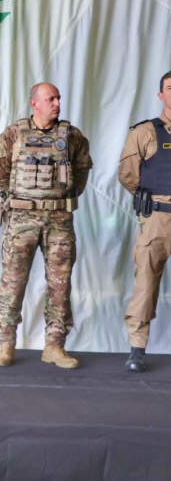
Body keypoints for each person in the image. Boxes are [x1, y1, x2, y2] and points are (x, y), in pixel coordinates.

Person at [0, 82, 93, 368]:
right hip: (21, 221)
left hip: (59, 221)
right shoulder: (12, 135)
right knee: (13, 283)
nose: (57, 103)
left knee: (60, 286)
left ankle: (55, 347)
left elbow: (81, 173)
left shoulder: (72, 137)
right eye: (51, 98)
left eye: (58, 97)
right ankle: (5, 345)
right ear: (34, 103)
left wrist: (57, 200)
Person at [118, 70, 171, 372]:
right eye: (170, 88)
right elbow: (127, 174)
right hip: (157, 220)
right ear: (160, 95)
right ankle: (137, 350)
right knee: (146, 284)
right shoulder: (145, 132)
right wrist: (150, 196)